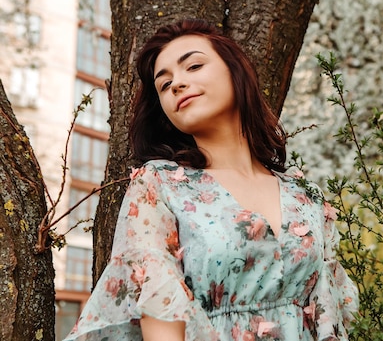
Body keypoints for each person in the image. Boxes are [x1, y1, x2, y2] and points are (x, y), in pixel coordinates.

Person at [63, 18, 358, 341]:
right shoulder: (160, 186)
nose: (176, 84)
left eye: (193, 66)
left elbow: (329, 320)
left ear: (235, 71)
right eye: (164, 84)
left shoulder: (305, 196)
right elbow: (162, 319)